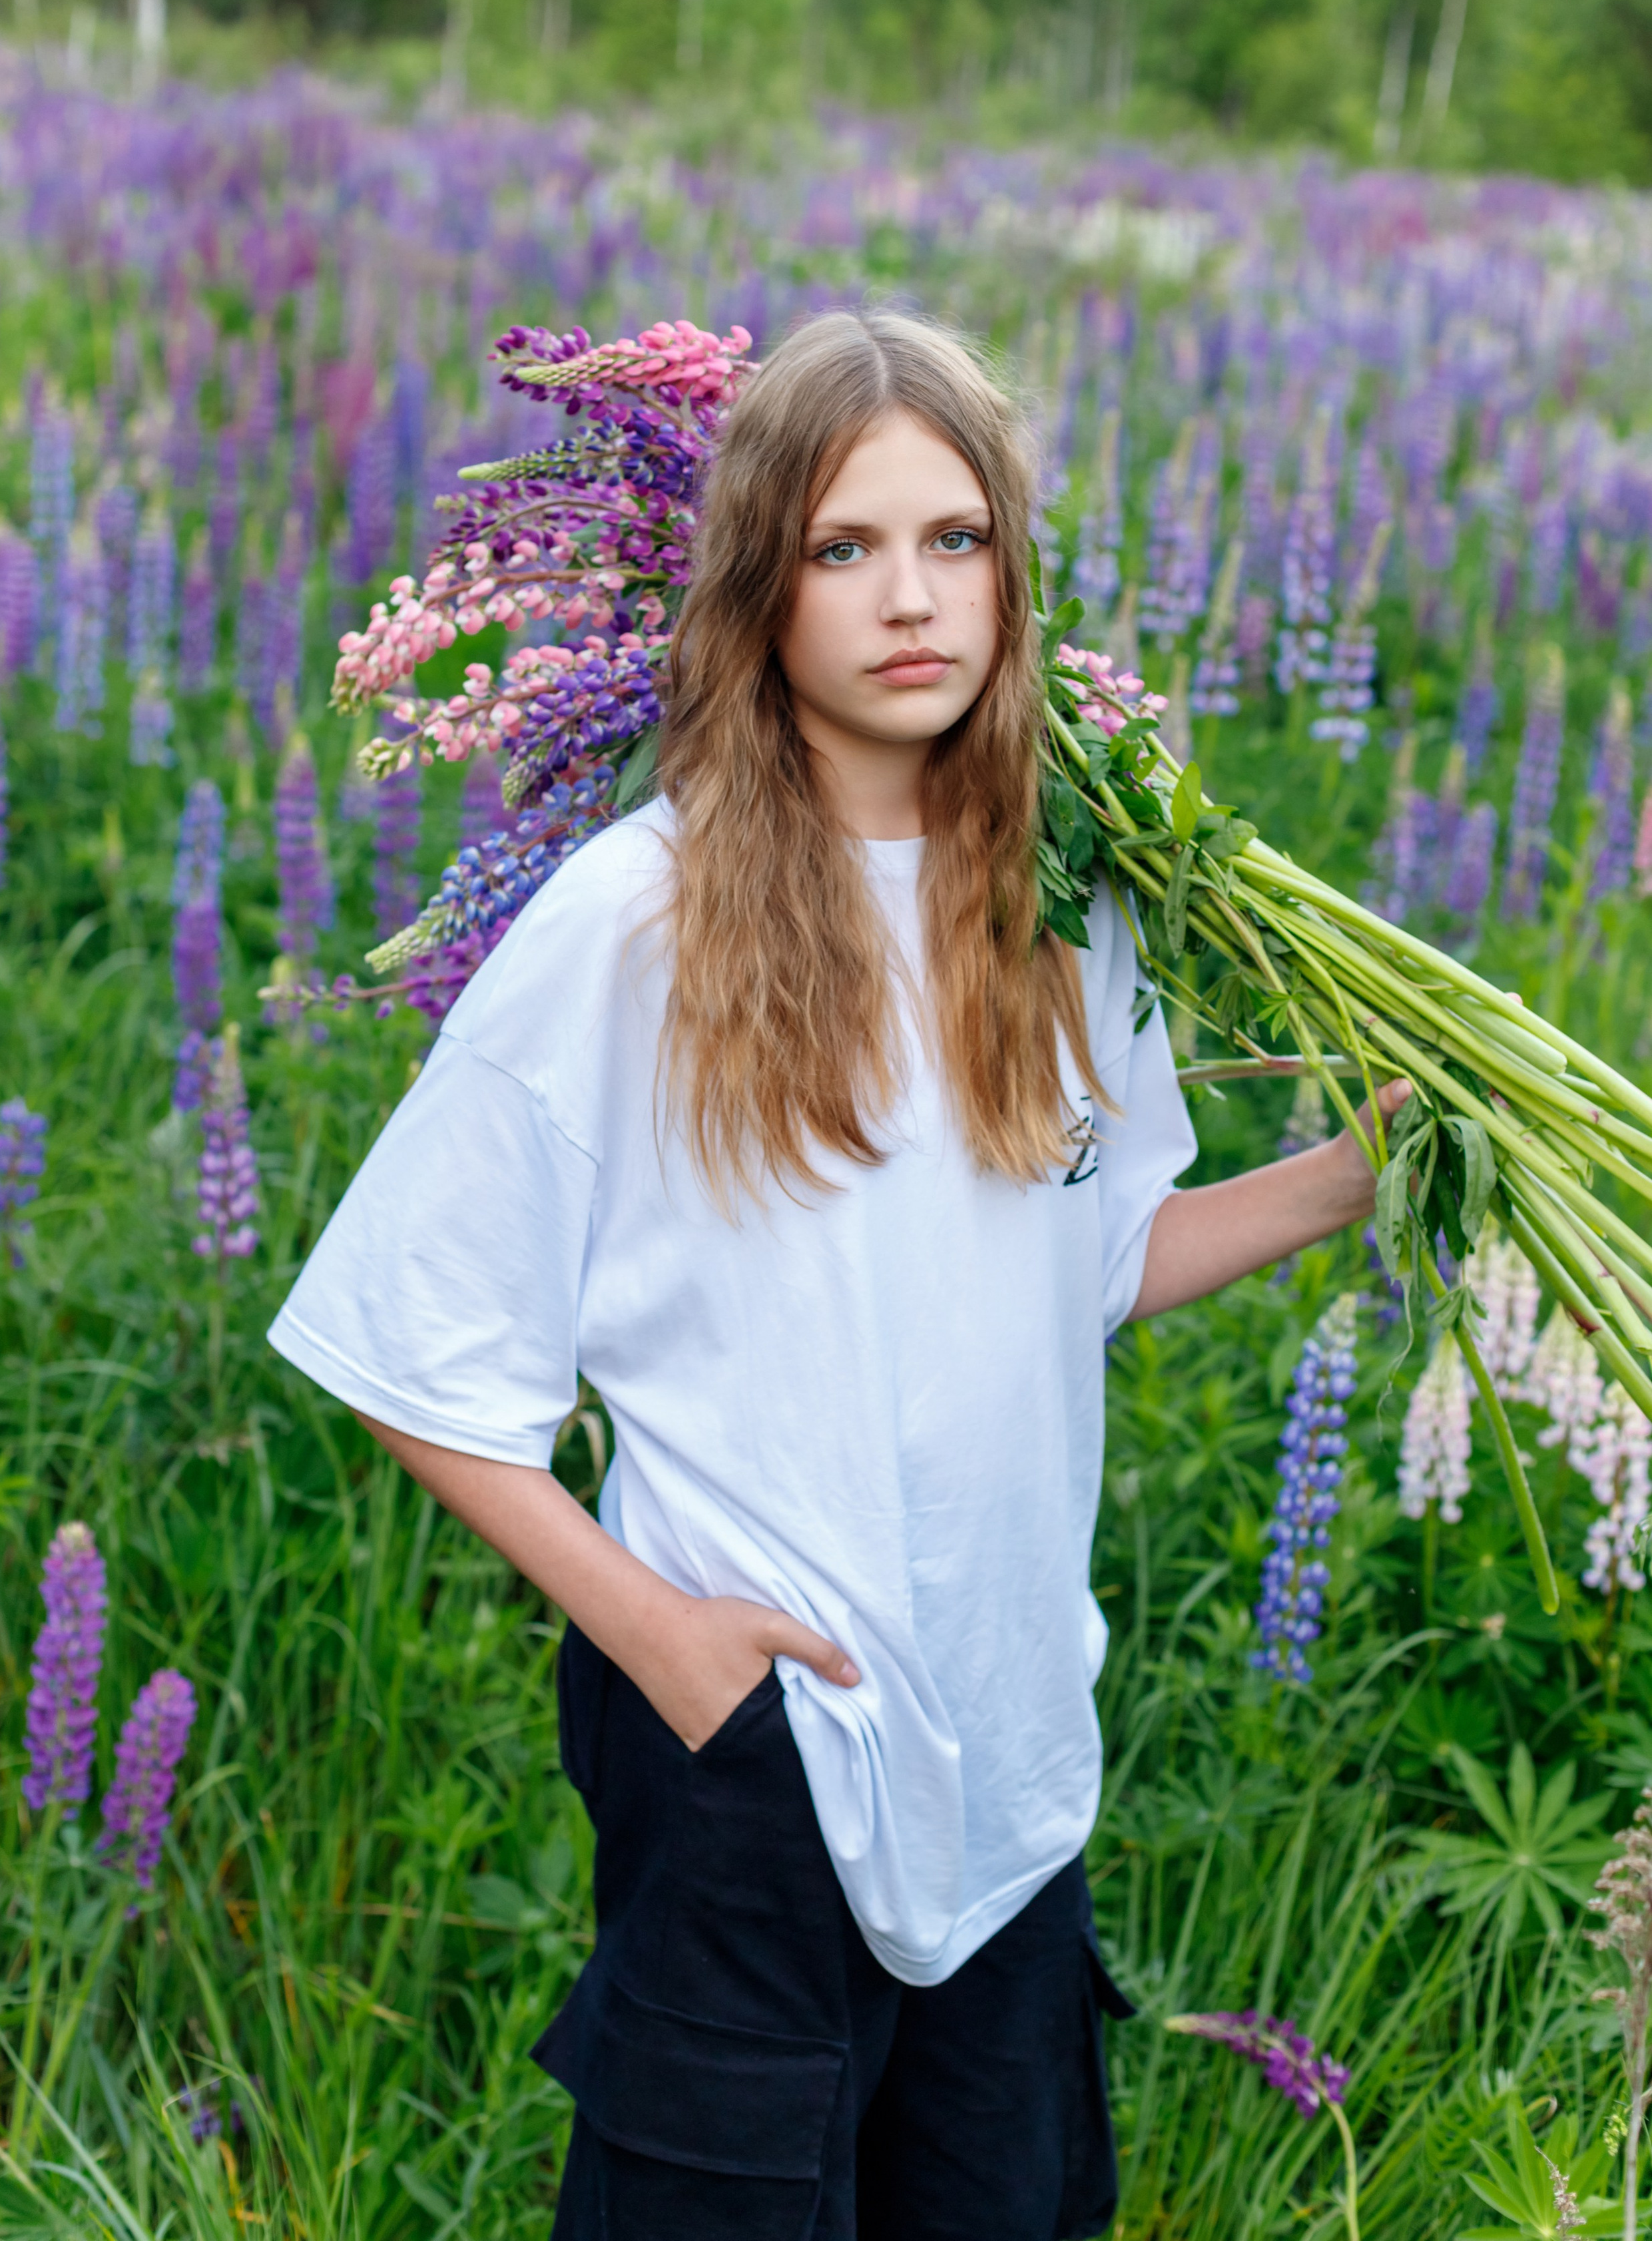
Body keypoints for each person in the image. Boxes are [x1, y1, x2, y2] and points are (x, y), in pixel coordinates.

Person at [268, 309, 1400, 2241]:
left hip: (1017, 1743)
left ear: (1012, 573)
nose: (911, 599)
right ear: (756, 587)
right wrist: (663, 1639)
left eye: (955, 541)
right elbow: (404, 1348)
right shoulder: (641, 914)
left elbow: (1082, 1253)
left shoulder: (1063, 898)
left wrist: (1351, 1176)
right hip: (754, 1746)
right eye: (844, 548)